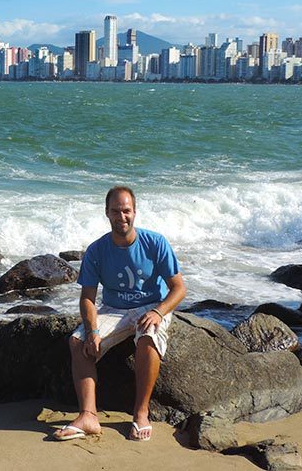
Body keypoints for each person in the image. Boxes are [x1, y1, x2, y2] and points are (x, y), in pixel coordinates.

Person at [53, 186, 186, 442]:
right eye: (115, 211)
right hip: (113, 309)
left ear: (134, 212)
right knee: (78, 341)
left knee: (148, 336)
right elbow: (88, 299)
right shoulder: (96, 250)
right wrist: (92, 331)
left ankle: (141, 412)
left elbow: (179, 288)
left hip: (151, 305)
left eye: (126, 210)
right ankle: (88, 416)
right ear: (107, 213)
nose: (121, 216)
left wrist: (159, 312)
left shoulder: (155, 243)